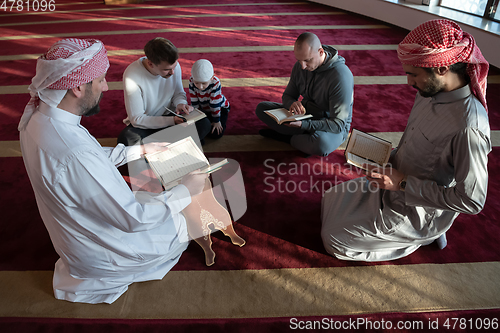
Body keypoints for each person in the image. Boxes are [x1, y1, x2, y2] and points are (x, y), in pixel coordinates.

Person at [18, 38, 208, 304]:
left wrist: (141, 151)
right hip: (105, 255)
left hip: (76, 239)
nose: (106, 87)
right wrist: (186, 190)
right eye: (100, 80)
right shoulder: (74, 152)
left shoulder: (38, 118)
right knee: (185, 218)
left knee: (159, 194)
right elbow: (135, 219)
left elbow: (91, 157)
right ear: (76, 88)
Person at [321, 19, 491, 261]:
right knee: (330, 198)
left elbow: (472, 201)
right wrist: (385, 158)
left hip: (417, 207)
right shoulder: (429, 90)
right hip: (394, 178)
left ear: (441, 69)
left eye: (413, 74)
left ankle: (424, 236)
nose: (408, 82)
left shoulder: (468, 127)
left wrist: (402, 184)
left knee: (334, 239)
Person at [255, 32, 354, 156]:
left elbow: (338, 124)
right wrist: (292, 104)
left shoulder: (340, 76)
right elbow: (288, 95)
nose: (302, 66)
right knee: (262, 109)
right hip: (305, 115)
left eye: (307, 60)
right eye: (299, 60)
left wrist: (304, 125)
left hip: (330, 125)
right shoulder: (300, 66)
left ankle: (288, 138)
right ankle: (303, 139)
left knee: (321, 144)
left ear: (321, 52)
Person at [117, 37, 211, 146]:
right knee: (126, 139)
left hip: (172, 116)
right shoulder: (132, 75)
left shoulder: (173, 67)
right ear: (151, 63)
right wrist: (172, 121)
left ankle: (159, 147)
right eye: (166, 70)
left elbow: (178, 93)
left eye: (174, 66)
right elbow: (137, 119)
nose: (172, 72)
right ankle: (180, 143)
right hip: (148, 123)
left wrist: (181, 103)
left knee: (203, 124)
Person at [189, 59, 230, 139]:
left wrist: (216, 121)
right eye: (196, 83)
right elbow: (194, 101)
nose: (200, 87)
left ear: (212, 78)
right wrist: (195, 117)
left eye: (204, 83)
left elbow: (215, 104)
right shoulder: (191, 81)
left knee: (216, 133)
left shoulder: (216, 83)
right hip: (203, 108)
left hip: (219, 107)